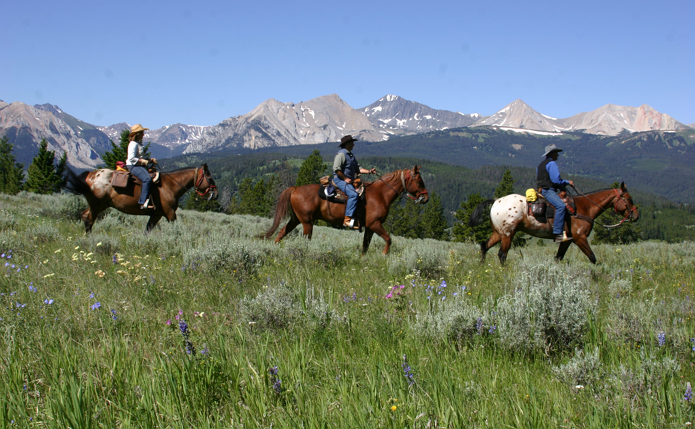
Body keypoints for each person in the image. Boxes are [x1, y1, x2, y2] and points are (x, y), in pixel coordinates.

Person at [333, 135, 376, 229]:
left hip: (348, 180)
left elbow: (358, 169)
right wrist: (345, 178)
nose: (353, 144)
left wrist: (369, 171)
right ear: (347, 144)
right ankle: (347, 220)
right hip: (339, 179)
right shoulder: (341, 154)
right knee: (353, 195)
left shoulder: (351, 155)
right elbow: (336, 169)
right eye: (352, 143)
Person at [537, 144, 575, 243]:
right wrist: (568, 182)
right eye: (556, 153)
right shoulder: (552, 163)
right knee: (561, 206)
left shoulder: (541, 164)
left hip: (541, 189)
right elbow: (556, 180)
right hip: (548, 190)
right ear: (552, 153)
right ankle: (558, 233)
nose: (558, 155)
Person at [126, 124, 158, 209]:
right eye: (142, 133)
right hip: (133, 166)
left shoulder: (138, 143)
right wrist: (143, 162)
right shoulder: (133, 144)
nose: (143, 135)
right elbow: (131, 158)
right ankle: (143, 202)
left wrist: (150, 160)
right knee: (147, 179)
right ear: (137, 134)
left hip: (137, 165)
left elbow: (140, 157)